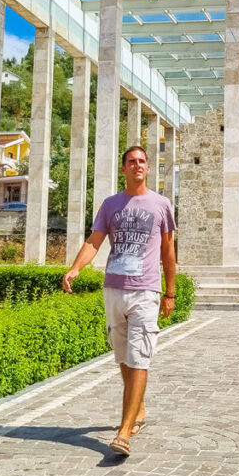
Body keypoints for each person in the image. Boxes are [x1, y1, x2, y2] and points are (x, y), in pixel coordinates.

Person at [62, 144, 176, 457]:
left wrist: (170, 292)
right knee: (124, 357)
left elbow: (168, 252)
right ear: (124, 169)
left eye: (142, 161)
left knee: (140, 356)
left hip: (145, 291)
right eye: (131, 161)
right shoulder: (111, 205)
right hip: (113, 289)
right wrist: (75, 267)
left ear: (148, 168)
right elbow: (93, 241)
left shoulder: (161, 204)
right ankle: (138, 408)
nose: (137, 165)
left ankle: (124, 431)